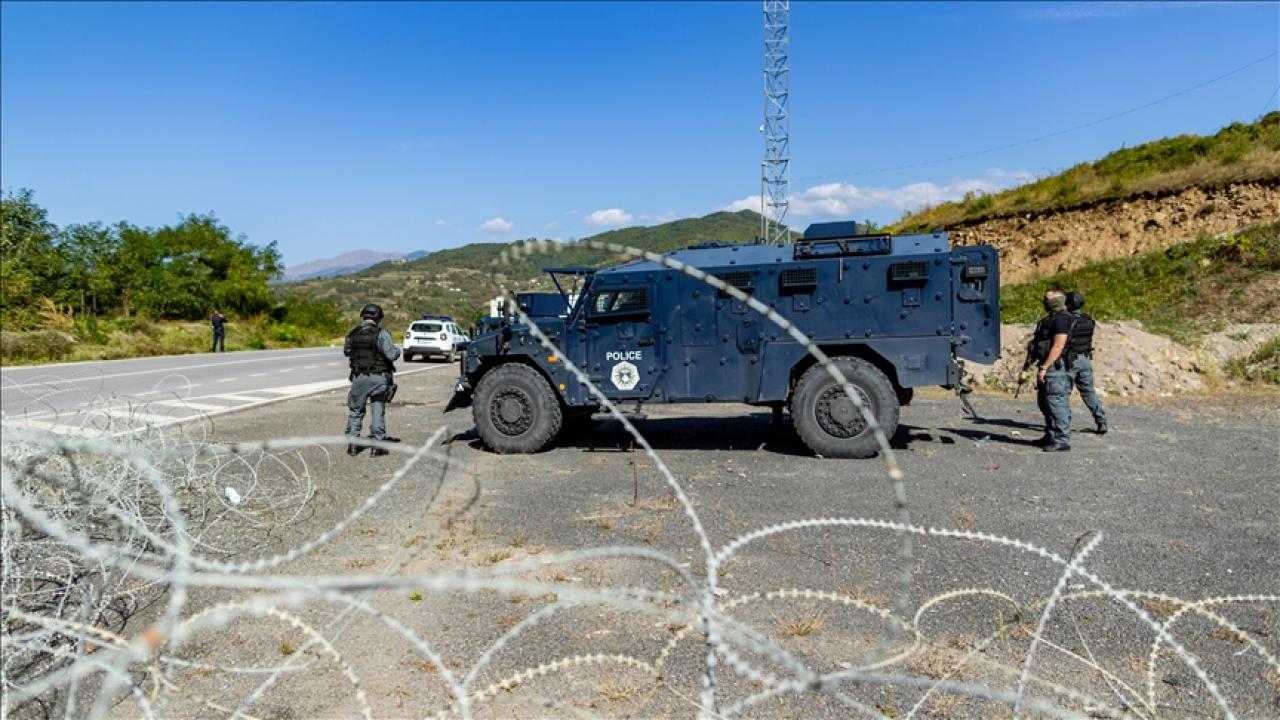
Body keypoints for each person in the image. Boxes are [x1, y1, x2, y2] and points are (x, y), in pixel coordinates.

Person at [344, 303, 401, 456]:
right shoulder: (382, 333)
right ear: (379, 317)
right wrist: (397, 350)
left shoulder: (353, 333)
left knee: (356, 411)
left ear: (363, 315)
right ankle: (378, 446)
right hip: (378, 379)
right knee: (377, 410)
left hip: (358, 378)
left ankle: (353, 445)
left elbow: (347, 351)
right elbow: (391, 355)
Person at [1027, 289, 1074, 452]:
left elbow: (1058, 346)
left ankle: (1062, 439)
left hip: (1055, 367)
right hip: (1048, 365)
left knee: (1056, 404)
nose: (1045, 302)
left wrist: (1044, 367)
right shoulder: (1050, 319)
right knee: (1045, 403)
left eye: (1049, 299)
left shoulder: (1061, 320)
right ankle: (1051, 435)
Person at [1065, 290, 1108, 435]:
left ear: (1069, 304)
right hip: (1085, 359)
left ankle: (1063, 425)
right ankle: (1101, 421)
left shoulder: (1066, 320)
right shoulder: (1088, 320)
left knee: (1063, 394)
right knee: (1089, 392)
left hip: (1070, 360)